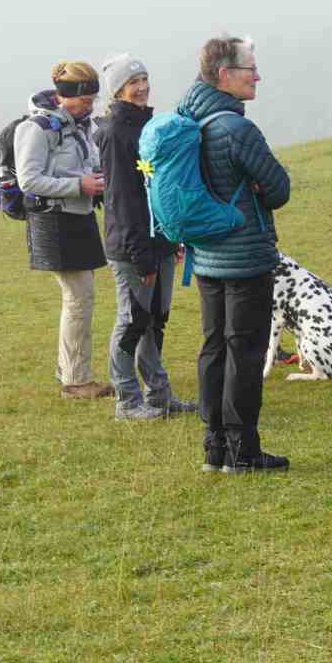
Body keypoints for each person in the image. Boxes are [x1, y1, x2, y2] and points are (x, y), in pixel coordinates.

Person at [180, 35, 293, 474]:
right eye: (251, 70)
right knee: (244, 351)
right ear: (225, 75)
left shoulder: (188, 118)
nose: (257, 77)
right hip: (244, 257)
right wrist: (260, 189)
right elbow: (279, 189)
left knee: (213, 347)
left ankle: (214, 447)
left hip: (206, 255)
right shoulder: (235, 129)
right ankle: (243, 450)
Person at [93, 53, 194, 421]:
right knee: (133, 320)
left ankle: (159, 396)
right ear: (117, 90)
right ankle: (127, 400)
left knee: (155, 318)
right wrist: (141, 255)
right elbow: (122, 200)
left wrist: (172, 236)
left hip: (159, 240)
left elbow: (157, 190)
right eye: (132, 82)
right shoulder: (114, 133)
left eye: (144, 79)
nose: (141, 87)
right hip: (133, 247)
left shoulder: (148, 126)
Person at [16, 60, 112, 400]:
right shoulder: (36, 128)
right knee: (78, 298)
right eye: (85, 100)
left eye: (92, 100)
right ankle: (76, 381)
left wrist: (96, 177)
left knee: (79, 297)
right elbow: (29, 180)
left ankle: (69, 370)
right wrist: (78, 185)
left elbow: (85, 164)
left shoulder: (78, 126)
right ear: (65, 95)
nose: (90, 106)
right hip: (55, 221)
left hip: (78, 216)